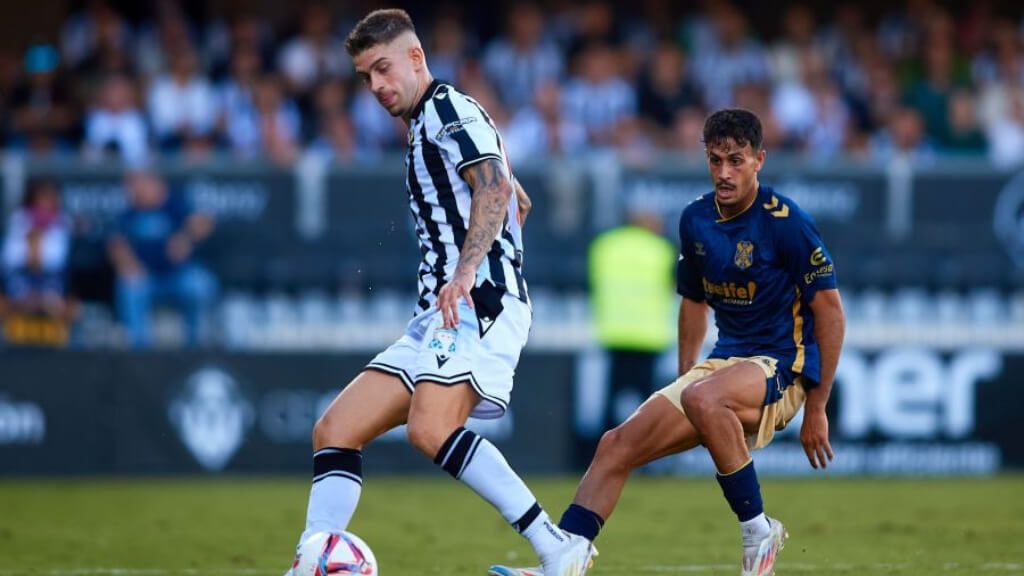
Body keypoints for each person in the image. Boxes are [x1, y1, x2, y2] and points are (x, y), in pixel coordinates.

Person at [283, 9, 592, 576]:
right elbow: (509, 193)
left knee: (431, 428)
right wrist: (496, 204)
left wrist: (469, 268)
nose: (376, 85)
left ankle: (557, 547)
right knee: (336, 429)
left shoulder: (447, 109)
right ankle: (313, 562)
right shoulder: (432, 121)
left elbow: (496, 188)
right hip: (439, 313)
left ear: (416, 58)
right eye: (365, 76)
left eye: (382, 68)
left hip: (479, 302)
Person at [489, 109, 845, 576]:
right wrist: (684, 376)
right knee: (616, 444)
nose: (724, 172)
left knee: (702, 397)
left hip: (781, 366)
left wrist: (817, 406)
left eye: (736, 161)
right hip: (722, 369)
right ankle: (566, 557)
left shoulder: (787, 223)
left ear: (760, 160)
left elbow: (831, 312)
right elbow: (693, 302)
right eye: (715, 160)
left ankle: (759, 529)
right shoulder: (695, 219)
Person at [586, 209, 675, 453]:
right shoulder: (660, 250)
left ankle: (603, 453)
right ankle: (646, 454)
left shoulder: (604, 246)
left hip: (614, 333)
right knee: (648, 403)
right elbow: (672, 287)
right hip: (649, 336)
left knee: (612, 398)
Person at [107, 169, 217, 347]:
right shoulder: (128, 213)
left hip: (177, 275)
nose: (135, 190)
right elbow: (115, 243)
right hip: (146, 278)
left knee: (200, 285)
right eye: (132, 186)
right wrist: (129, 263)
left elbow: (205, 222)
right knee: (130, 286)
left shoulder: (175, 207)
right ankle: (140, 351)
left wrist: (186, 237)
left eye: (140, 185)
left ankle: (196, 346)